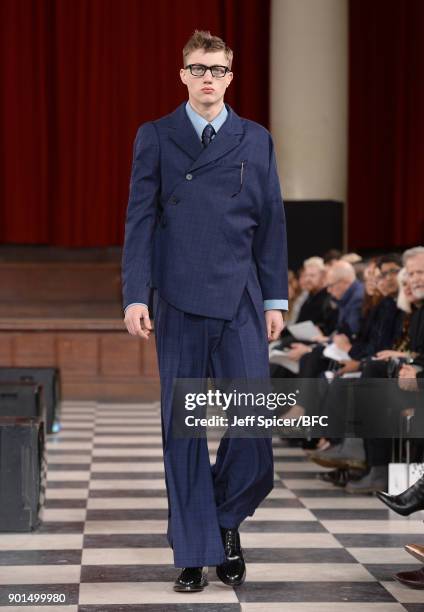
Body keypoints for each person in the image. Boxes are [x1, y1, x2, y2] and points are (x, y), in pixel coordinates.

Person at [121, 30, 288, 592]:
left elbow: (271, 225)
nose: (208, 78)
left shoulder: (255, 138)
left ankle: (220, 521)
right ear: (183, 76)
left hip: (240, 296)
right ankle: (196, 552)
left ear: (231, 77)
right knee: (184, 431)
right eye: (198, 69)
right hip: (177, 296)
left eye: (217, 69)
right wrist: (136, 294)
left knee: (255, 424)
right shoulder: (157, 136)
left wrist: (274, 298)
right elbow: (139, 221)